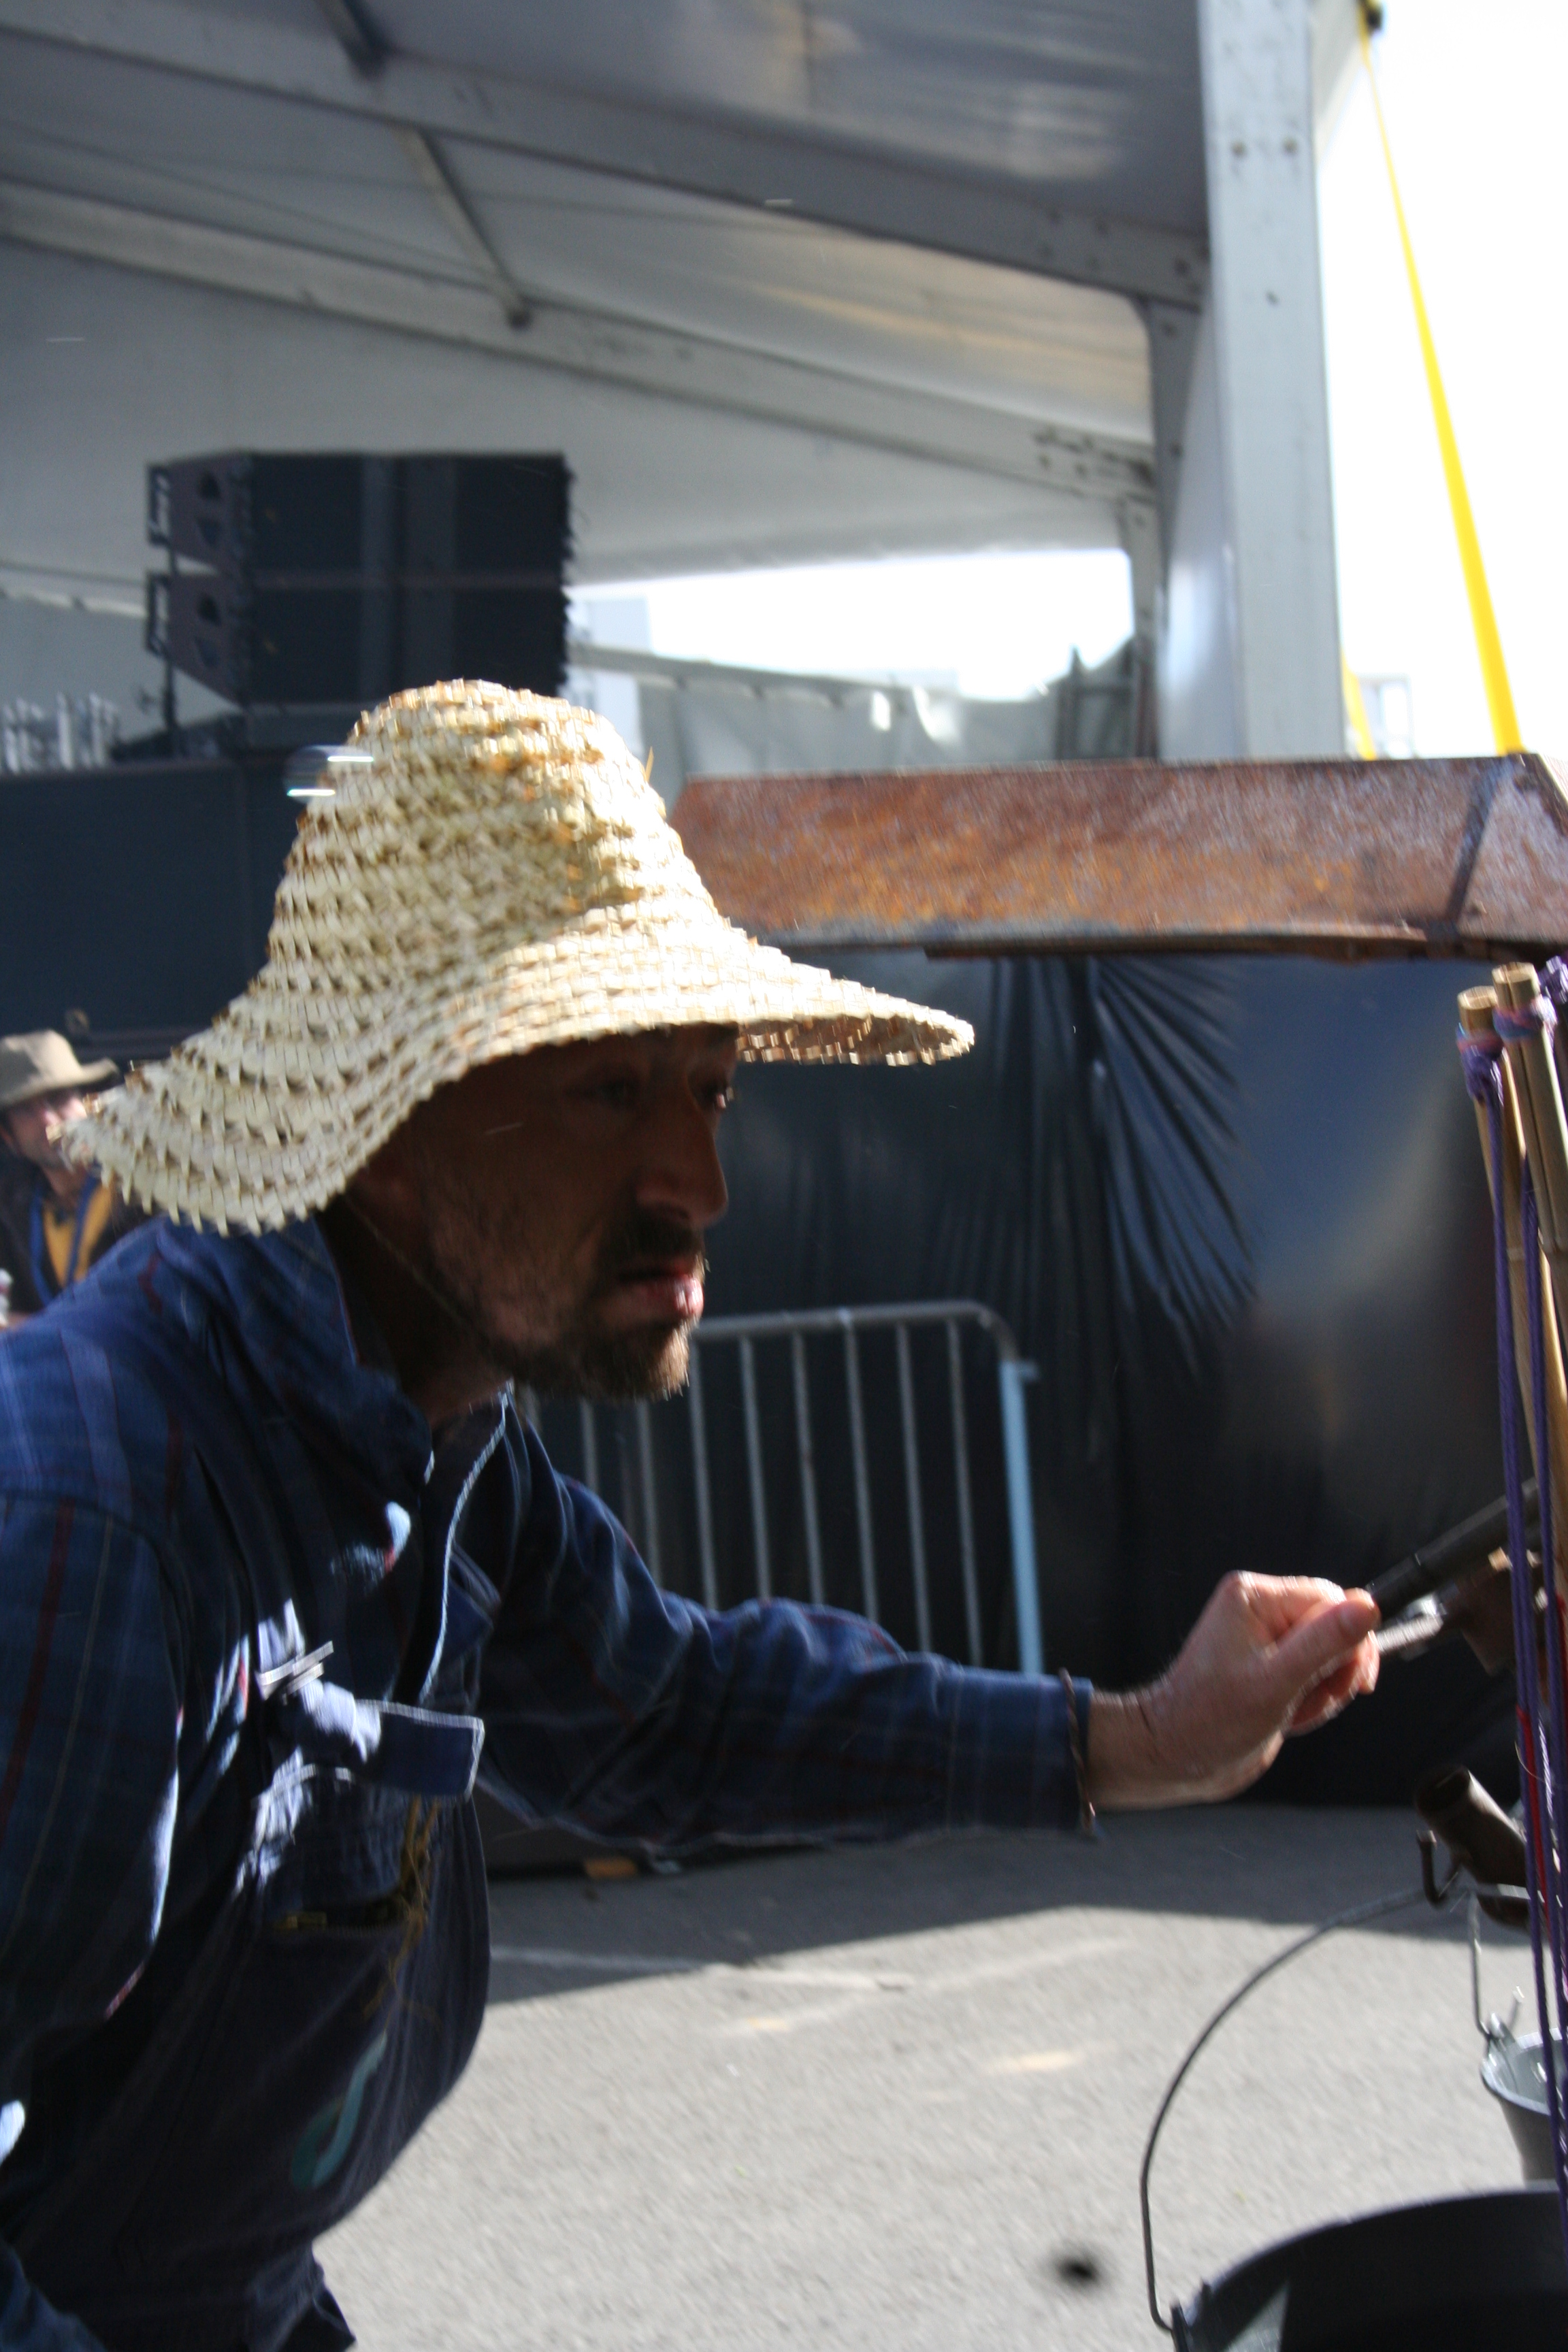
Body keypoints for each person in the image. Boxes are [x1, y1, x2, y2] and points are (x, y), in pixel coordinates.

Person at [0, 683, 1380, 2351]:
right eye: (602, 1092)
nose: (698, 1186)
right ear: (379, 1137)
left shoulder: (442, 1439)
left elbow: (670, 1711)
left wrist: (1136, 1735)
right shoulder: (94, 1520)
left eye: (708, 1093)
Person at [0, 1032, 141, 1323]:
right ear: (9, 1137)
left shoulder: (153, 1185)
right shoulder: (11, 1209)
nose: (48, 1121)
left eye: (58, 1099)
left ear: (92, 1104)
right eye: (26, 1110)